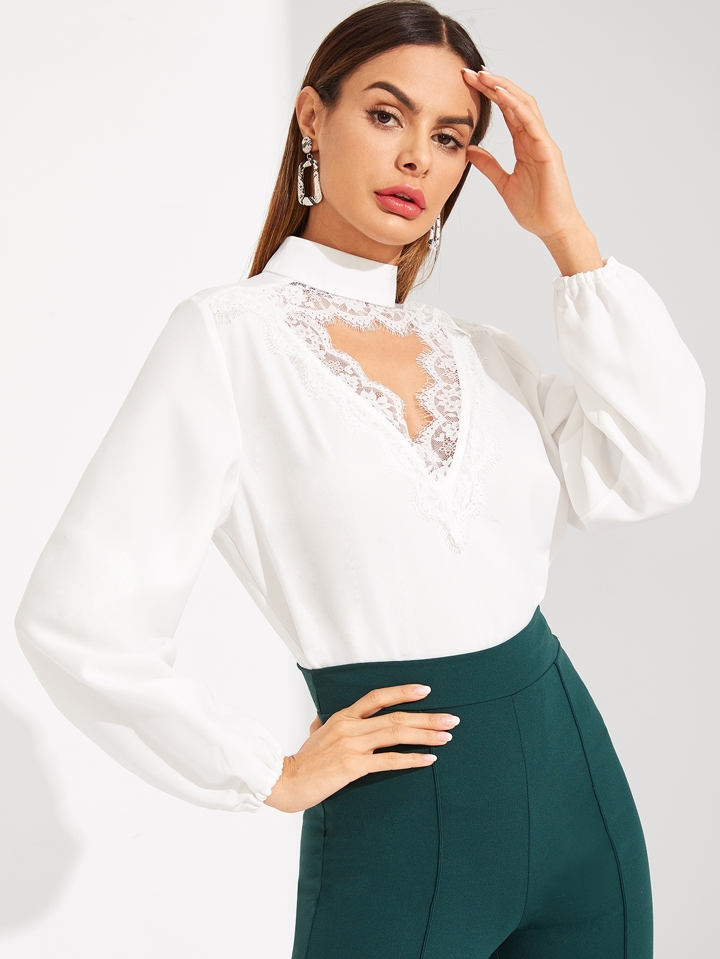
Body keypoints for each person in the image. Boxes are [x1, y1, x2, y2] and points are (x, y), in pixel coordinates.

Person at [15, 2, 705, 957]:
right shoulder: (227, 341)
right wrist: (265, 771)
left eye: (450, 137)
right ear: (313, 116)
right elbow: (75, 617)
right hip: (398, 827)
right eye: (386, 115)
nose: (417, 157)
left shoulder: (483, 354)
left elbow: (656, 465)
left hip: (581, 801)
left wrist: (567, 236)